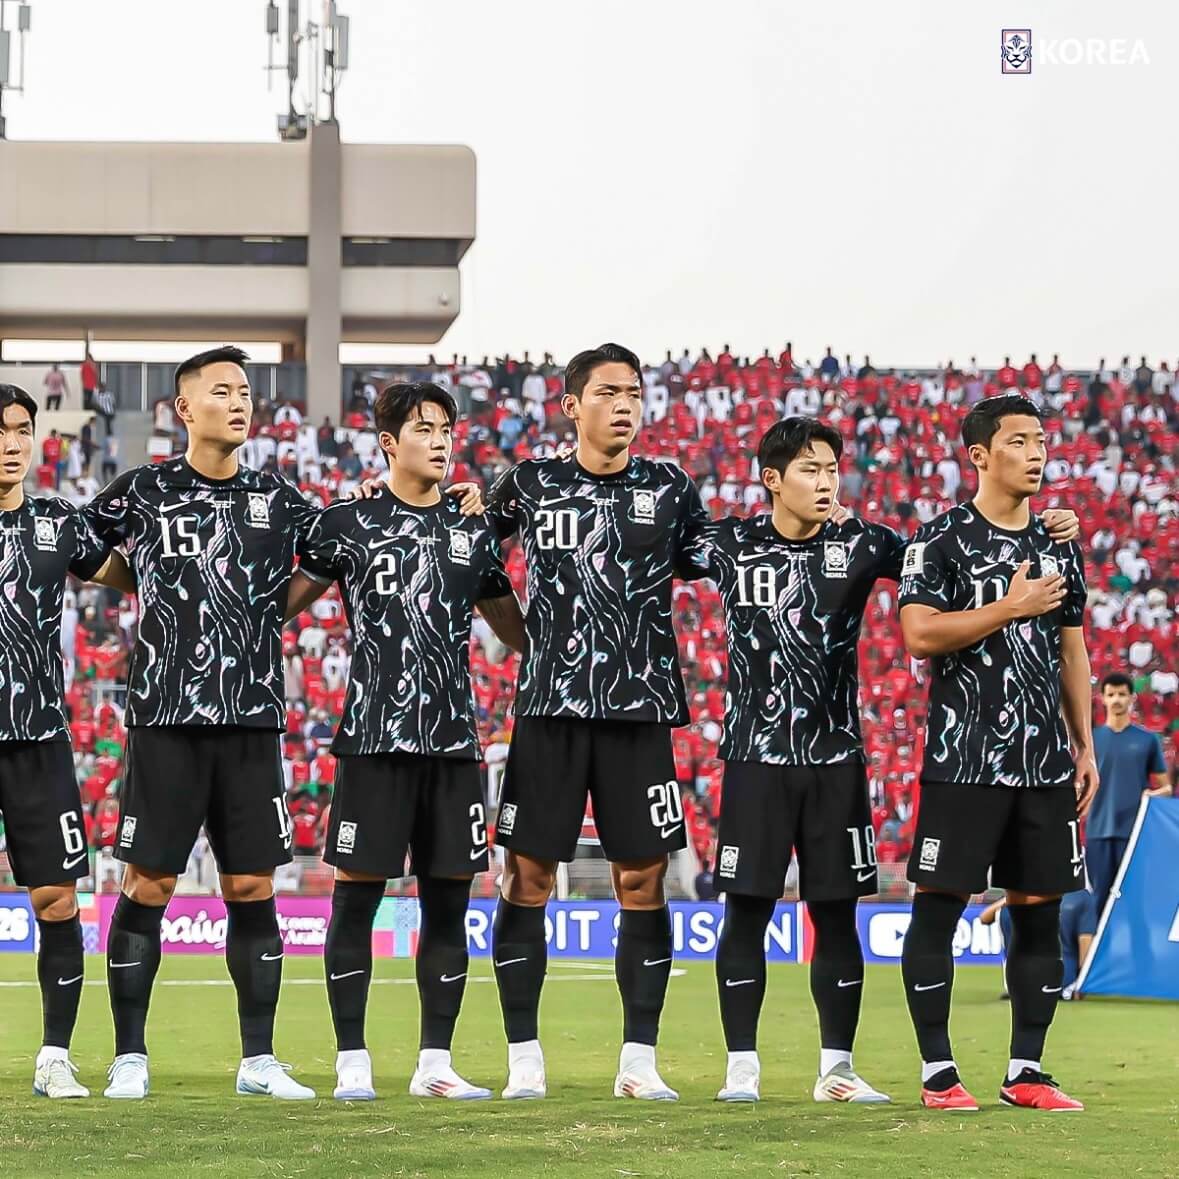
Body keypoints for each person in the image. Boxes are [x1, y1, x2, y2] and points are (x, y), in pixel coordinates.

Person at [685, 417, 1078, 1106]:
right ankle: (740, 1069)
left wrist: (1038, 523)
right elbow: (644, 542)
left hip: (837, 758)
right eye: (809, 468)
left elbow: (946, 562)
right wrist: (491, 504)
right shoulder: (728, 541)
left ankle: (836, 1069)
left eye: (833, 468)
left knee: (836, 913)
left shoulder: (865, 541)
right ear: (771, 479)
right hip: (751, 755)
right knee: (746, 911)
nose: (827, 480)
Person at [84, 346, 324, 1102]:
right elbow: (82, 550)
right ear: (184, 408)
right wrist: (144, 586)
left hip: (251, 721)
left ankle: (258, 1059)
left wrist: (271, 611)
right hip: (166, 719)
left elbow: (331, 557)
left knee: (252, 884)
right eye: (222, 390)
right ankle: (130, 1054)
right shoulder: (143, 490)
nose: (240, 401)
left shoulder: (276, 496)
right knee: (148, 883)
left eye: (246, 391)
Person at [285, 382, 525, 1103]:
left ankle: (434, 1061)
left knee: (450, 902)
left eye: (447, 427)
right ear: (389, 443)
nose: (441, 438)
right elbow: (280, 603)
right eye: (424, 428)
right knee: (355, 899)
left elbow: (514, 629)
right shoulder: (346, 523)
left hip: (453, 742)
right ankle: (351, 1057)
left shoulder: (470, 529)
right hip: (373, 740)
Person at [485, 342, 709, 1102]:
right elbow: (467, 550)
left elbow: (720, 554)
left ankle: (638, 1060)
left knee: (642, 879)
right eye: (608, 391)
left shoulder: (671, 487)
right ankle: (524, 1057)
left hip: (639, 711)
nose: (624, 404)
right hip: (548, 710)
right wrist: (524, 637)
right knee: (527, 876)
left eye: (634, 393)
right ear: (570, 404)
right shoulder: (528, 483)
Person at [898, 394, 1096, 1113]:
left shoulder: (1057, 541)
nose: (1037, 453)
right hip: (963, 760)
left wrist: (1084, 743)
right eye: (1019, 441)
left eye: (1041, 440)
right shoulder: (939, 539)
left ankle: (1027, 1070)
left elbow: (1071, 646)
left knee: (1038, 911)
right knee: (938, 911)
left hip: (1042, 760)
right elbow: (918, 635)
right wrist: (1005, 608)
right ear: (980, 455)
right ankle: (938, 1073)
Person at [0, 383, 136, 1099]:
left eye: (21, 429)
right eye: (0, 431)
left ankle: (54, 1054)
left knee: (56, 899)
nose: (11, 442)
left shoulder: (57, 522)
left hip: (36, 738)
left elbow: (136, 575)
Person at [1088, 673, 1170, 914]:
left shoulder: (1146, 740)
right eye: (1111, 694)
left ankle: (1138, 949)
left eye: (1122, 694)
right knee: (1100, 900)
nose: (1116, 700)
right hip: (1098, 832)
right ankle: (1100, 951)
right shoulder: (1092, 740)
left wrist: (1152, 795)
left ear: (1132, 698)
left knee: (1135, 899)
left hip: (1133, 834)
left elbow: (1166, 787)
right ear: (1102, 698)